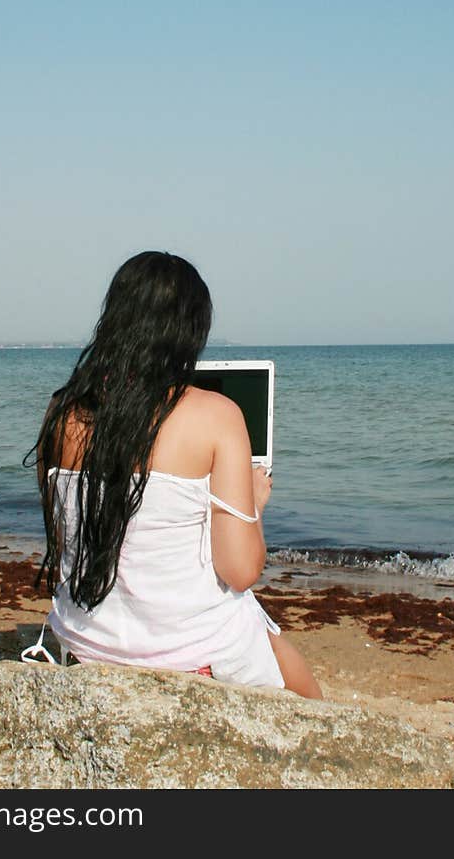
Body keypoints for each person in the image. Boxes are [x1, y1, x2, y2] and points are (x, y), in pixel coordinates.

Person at [26, 250, 322, 698]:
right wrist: (254, 506)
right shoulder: (217, 415)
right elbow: (240, 571)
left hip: (84, 641)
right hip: (190, 654)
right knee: (308, 696)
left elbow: (71, 535)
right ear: (188, 332)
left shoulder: (62, 410)